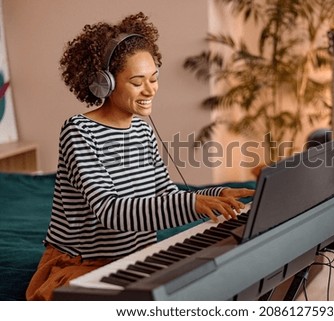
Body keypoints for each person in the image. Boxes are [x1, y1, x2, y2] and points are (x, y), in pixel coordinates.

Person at [26, 12, 254, 300]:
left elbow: (164, 193)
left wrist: (215, 193)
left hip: (133, 258)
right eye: (138, 82)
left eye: (154, 79)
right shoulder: (79, 132)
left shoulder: (143, 131)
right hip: (81, 264)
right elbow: (110, 210)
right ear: (104, 84)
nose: (150, 90)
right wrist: (194, 203)